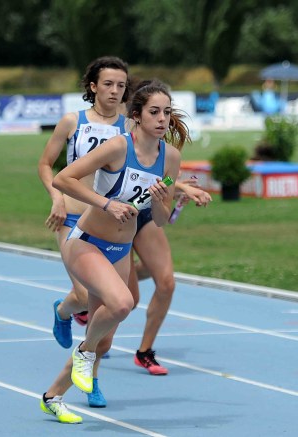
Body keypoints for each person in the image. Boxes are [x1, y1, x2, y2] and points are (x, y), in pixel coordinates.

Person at [44, 79, 186, 421]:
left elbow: (161, 219)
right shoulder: (118, 146)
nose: (162, 119)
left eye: (167, 112)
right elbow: (64, 179)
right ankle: (84, 350)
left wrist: (163, 198)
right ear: (136, 115)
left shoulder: (171, 158)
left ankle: (52, 396)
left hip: (119, 249)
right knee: (122, 303)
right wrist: (106, 204)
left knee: (105, 339)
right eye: (154, 112)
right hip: (87, 242)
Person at [38, 57, 129, 418]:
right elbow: (47, 165)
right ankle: (62, 310)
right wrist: (56, 197)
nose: (114, 91)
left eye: (121, 85)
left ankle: (92, 377)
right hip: (72, 216)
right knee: (81, 296)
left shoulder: (128, 126)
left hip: (108, 223)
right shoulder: (72, 121)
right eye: (108, 84)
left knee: (106, 314)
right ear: (93, 86)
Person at [128, 173, 212, 375]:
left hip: (145, 213)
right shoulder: (116, 151)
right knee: (128, 299)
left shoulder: (167, 155)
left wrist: (177, 189)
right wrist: (182, 187)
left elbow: (161, 182)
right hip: (117, 214)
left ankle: (144, 352)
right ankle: (83, 301)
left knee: (166, 284)